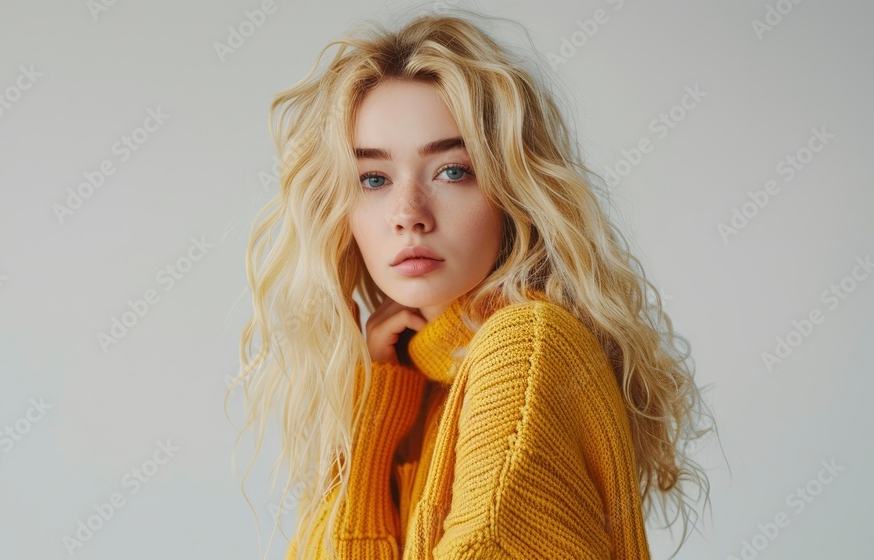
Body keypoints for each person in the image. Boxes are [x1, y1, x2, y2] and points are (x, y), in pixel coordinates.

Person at [231, 9, 715, 560]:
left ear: (512, 191)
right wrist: (378, 411)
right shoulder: (415, 375)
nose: (407, 213)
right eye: (373, 178)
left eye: (452, 171)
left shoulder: (524, 348)